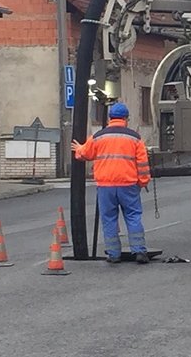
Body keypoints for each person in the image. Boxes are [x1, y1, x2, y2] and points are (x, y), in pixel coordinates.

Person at [71, 102, 151, 264]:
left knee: (109, 219)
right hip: (128, 184)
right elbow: (142, 163)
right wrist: (143, 182)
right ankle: (139, 251)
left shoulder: (99, 136)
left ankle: (114, 254)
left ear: (110, 118)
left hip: (105, 185)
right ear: (126, 119)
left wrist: (79, 148)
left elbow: (83, 154)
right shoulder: (135, 138)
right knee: (133, 217)